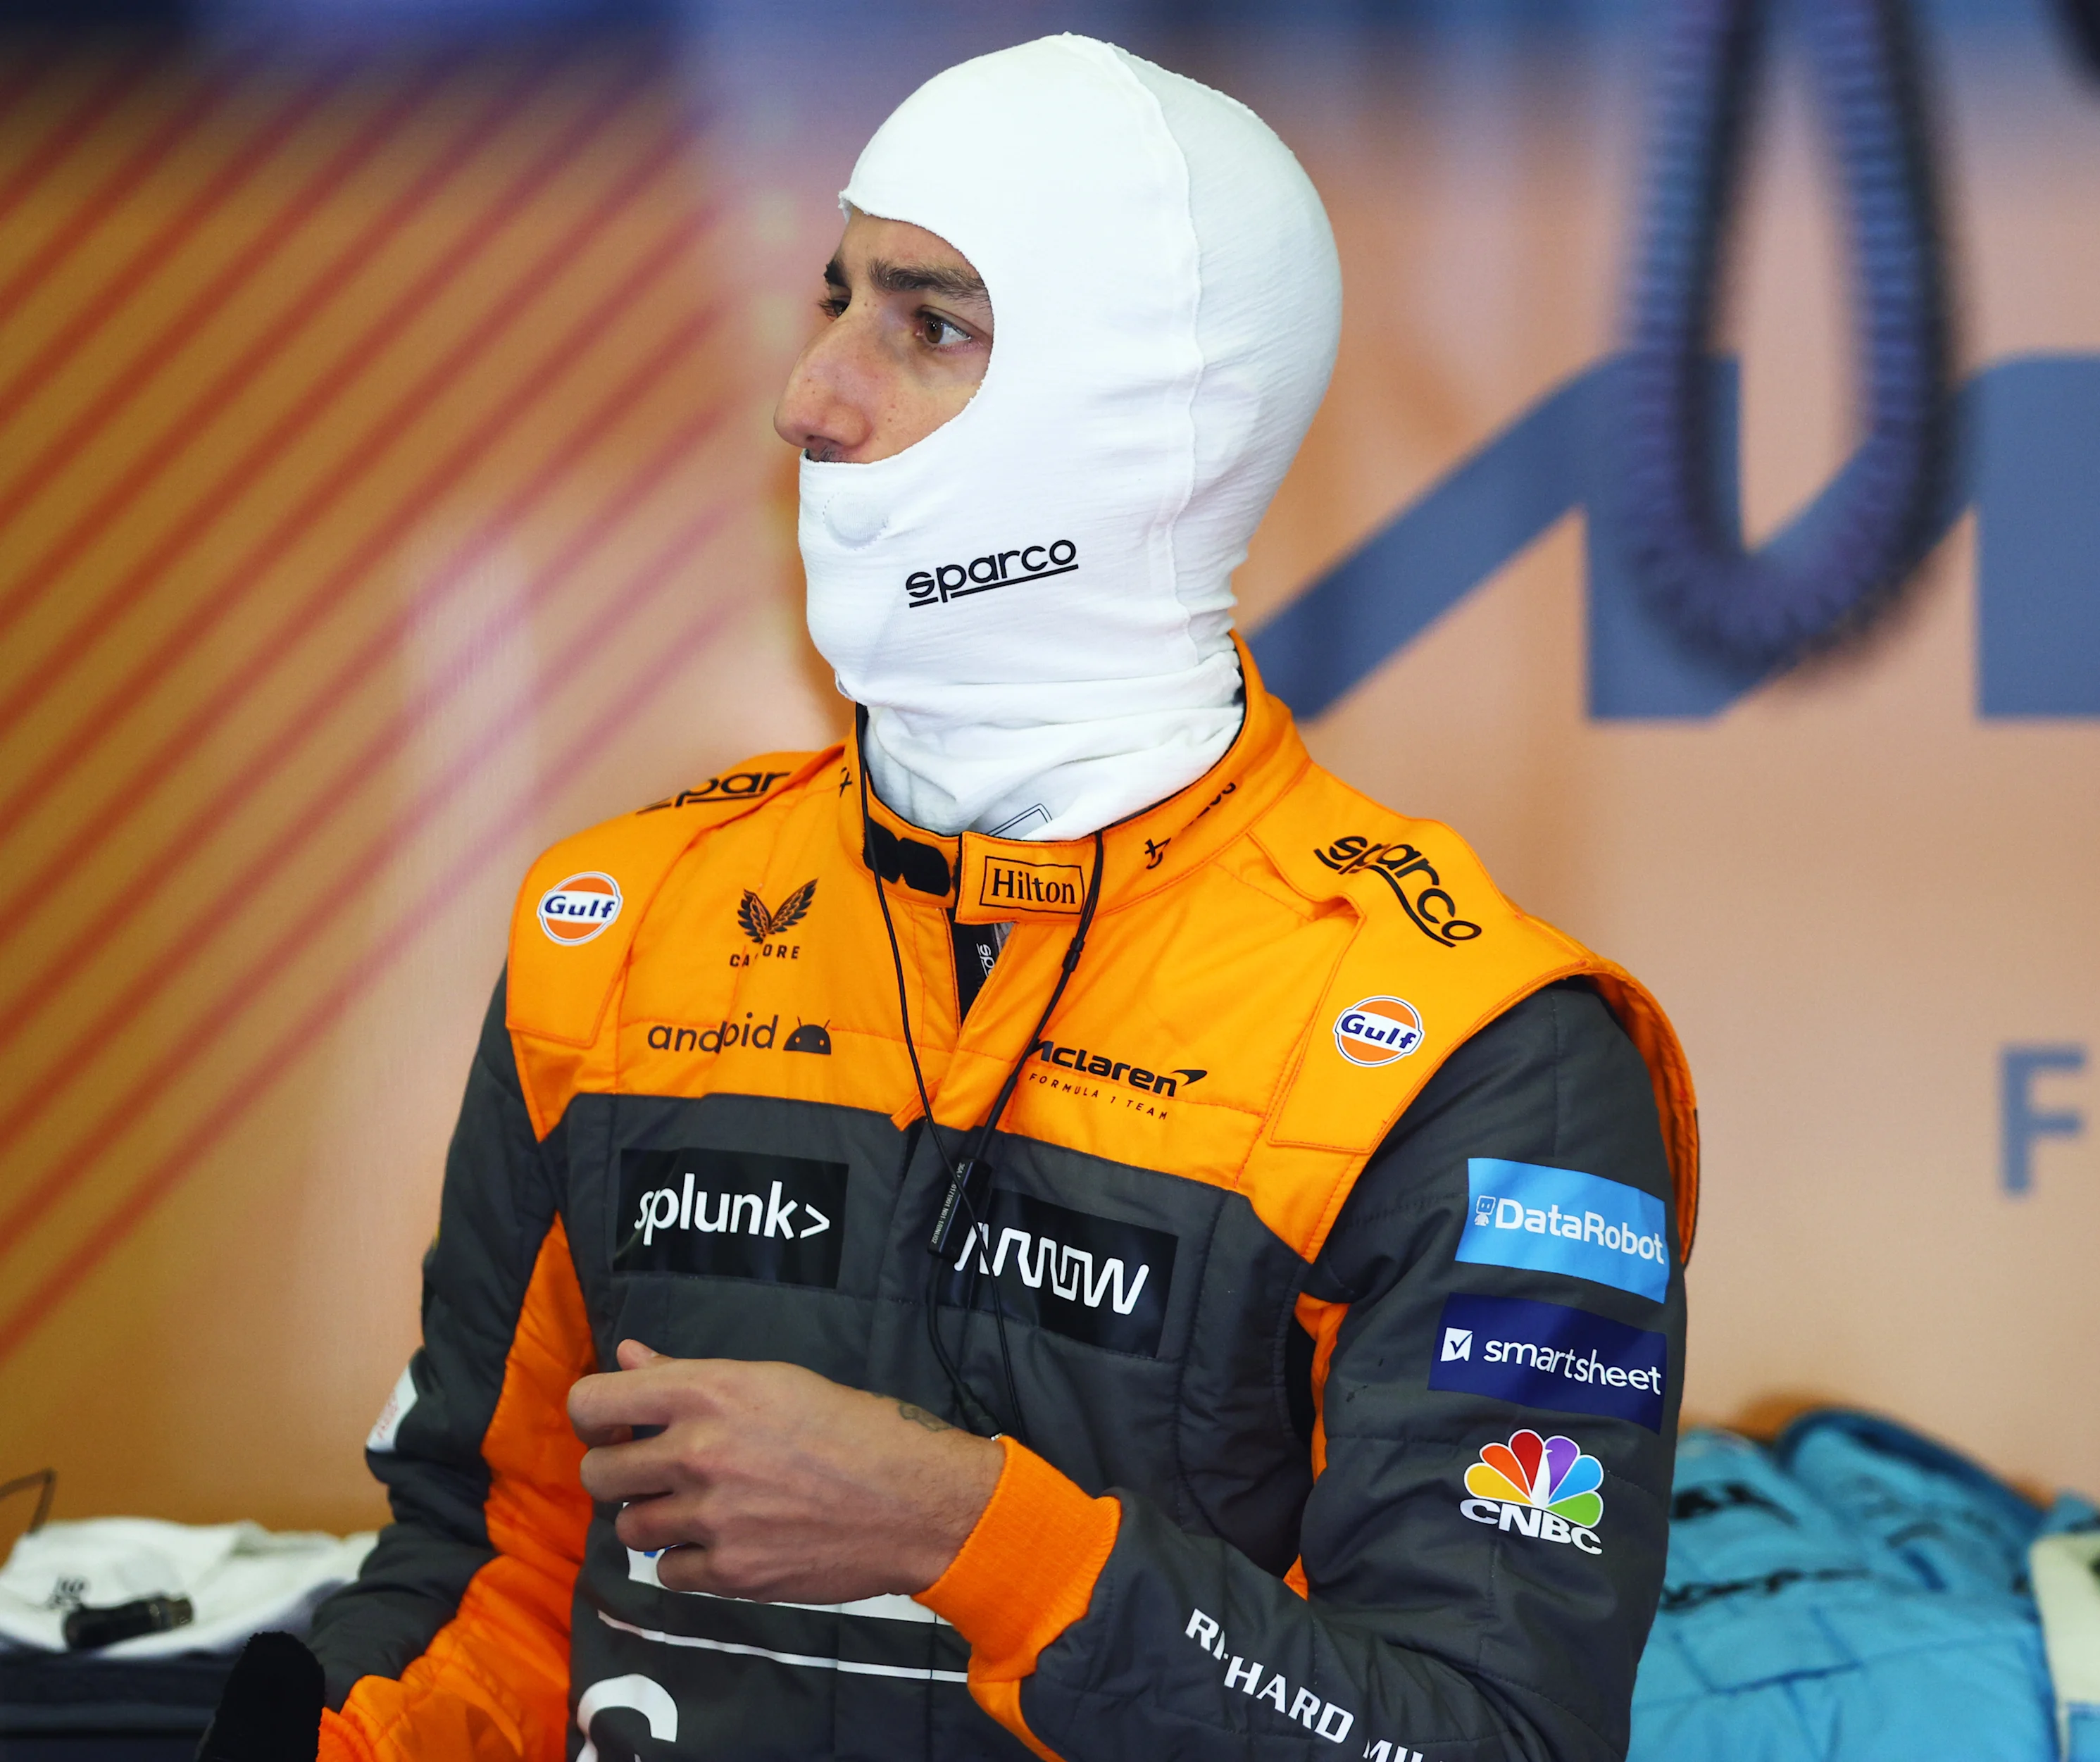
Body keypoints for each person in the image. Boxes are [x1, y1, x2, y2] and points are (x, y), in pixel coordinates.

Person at [207, 32, 1699, 1762]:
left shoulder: (1480, 1058)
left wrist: (966, 1533)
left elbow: (1485, 1738)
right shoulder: (617, 923)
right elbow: (495, 1571)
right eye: (829, 303)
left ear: (1158, 413)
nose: (812, 398)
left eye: (930, 325)